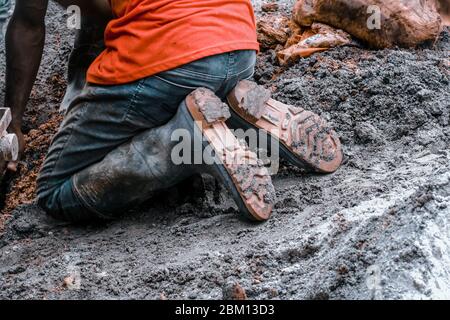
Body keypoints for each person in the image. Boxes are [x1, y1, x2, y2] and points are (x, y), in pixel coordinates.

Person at [3, 0, 343, 222]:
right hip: (237, 47)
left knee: (54, 192)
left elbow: (29, 24)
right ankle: (233, 109)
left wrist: (13, 120)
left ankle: (181, 143)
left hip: (173, 56)